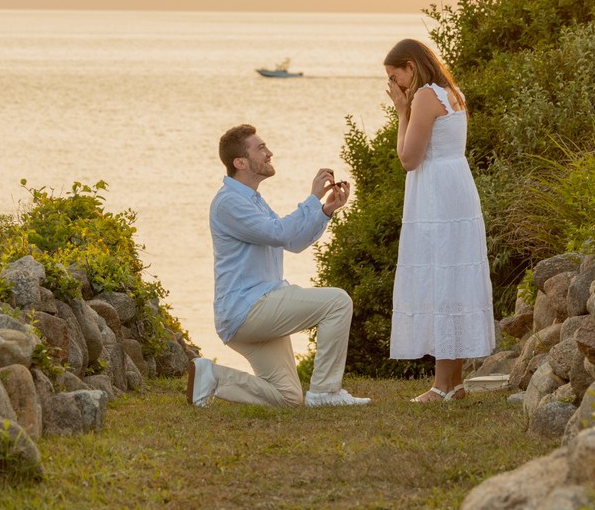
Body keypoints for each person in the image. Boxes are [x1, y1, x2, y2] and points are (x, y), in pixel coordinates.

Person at [186, 123, 371, 408]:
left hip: (256, 311)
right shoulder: (229, 203)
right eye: (261, 148)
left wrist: (324, 211)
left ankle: (211, 376)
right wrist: (312, 198)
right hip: (249, 310)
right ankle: (325, 391)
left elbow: (292, 242)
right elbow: (279, 233)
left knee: (288, 398)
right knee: (337, 302)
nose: (269, 153)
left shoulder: (252, 200)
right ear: (240, 162)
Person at [384, 39, 495, 403]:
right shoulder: (453, 93)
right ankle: (455, 383)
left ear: (411, 67)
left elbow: (409, 158)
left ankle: (441, 387)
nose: (394, 84)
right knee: (454, 280)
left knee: (442, 281)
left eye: (395, 76)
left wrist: (401, 112)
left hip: (436, 195)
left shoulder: (424, 97)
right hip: (456, 188)